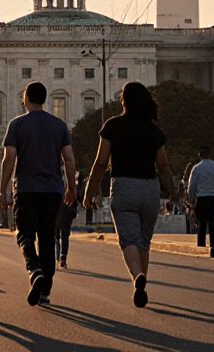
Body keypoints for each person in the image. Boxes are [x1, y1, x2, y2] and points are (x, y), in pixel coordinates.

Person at [83, 82, 173, 309]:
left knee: (128, 240)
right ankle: (141, 279)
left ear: (124, 101)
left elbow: (101, 162)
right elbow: (163, 166)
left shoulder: (113, 126)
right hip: (150, 188)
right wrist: (172, 193)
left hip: (123, 187)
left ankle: (136, 278)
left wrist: (89, 192)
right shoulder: (155, 131)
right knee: (144, 242)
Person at [0, 81, 76, 307]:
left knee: (24, 234)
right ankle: (46, 289)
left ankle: (34, 270)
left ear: (26, 98)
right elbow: (69, 158)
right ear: (44, 99)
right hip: (52, 189)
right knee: (47, 237)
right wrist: (72, 187)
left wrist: (3, 190)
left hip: (26, 188)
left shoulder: (16, 125)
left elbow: (9, 158)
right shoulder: (59, 125)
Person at [187, 146, 214, 258]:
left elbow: (192, 186)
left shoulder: (196, 168)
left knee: (201, 223)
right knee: (213, 223)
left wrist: (191, 201)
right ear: (209, 154)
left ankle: (201, 247)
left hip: (201, 197)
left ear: (199, 155)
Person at [56, 175, 82, 270]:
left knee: (57, 235)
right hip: (68, 210)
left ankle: (58, 256)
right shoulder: (72, 178)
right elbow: (77, 195)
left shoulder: (56, 175)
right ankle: (62, 258)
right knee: (64, 235)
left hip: (58, 209)